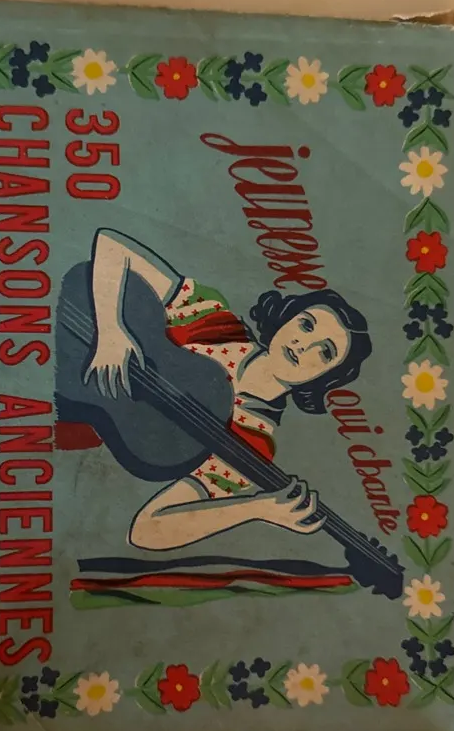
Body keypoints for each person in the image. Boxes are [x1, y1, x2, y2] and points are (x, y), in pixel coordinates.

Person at [75, 228, 373, 551]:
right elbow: (111, 244)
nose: (304, 345)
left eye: (325, 352)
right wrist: (110, 330)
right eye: (306, 324)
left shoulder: (253, 438)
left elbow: (146, 530)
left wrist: (257, 509)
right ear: (287, 318)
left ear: (326, 378)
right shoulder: (216, 323)